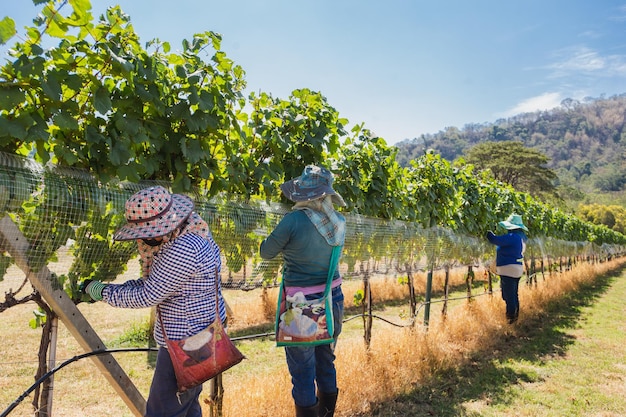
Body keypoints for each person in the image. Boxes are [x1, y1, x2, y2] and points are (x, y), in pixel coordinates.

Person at [82, 185, 226, 417]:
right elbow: (156, 284)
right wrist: (111, 288)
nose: (144, 239)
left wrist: (101, 292)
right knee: (187, 408)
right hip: (202, 336)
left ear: (162, 227)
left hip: (186, 344)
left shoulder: (182, 250)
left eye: (146, 233)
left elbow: (147, 295)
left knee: (162, 412)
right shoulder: (192, 234)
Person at [260, 165, 346, 417]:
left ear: (302, 193)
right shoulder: (339, 221)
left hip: (301, 304)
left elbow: (266, 252)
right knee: (326, 359)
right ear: (327, 194)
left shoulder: (293, 220)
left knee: (302, 370)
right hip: (333, 299)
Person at [486, 214, 529, 324]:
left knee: (508, 295)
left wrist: (488, 233)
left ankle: (511, 320)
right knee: (513, 294)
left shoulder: (512, 237)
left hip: (508, 269)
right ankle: (515, 318)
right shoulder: (521, 238)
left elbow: (495, 240)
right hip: (516, 269)